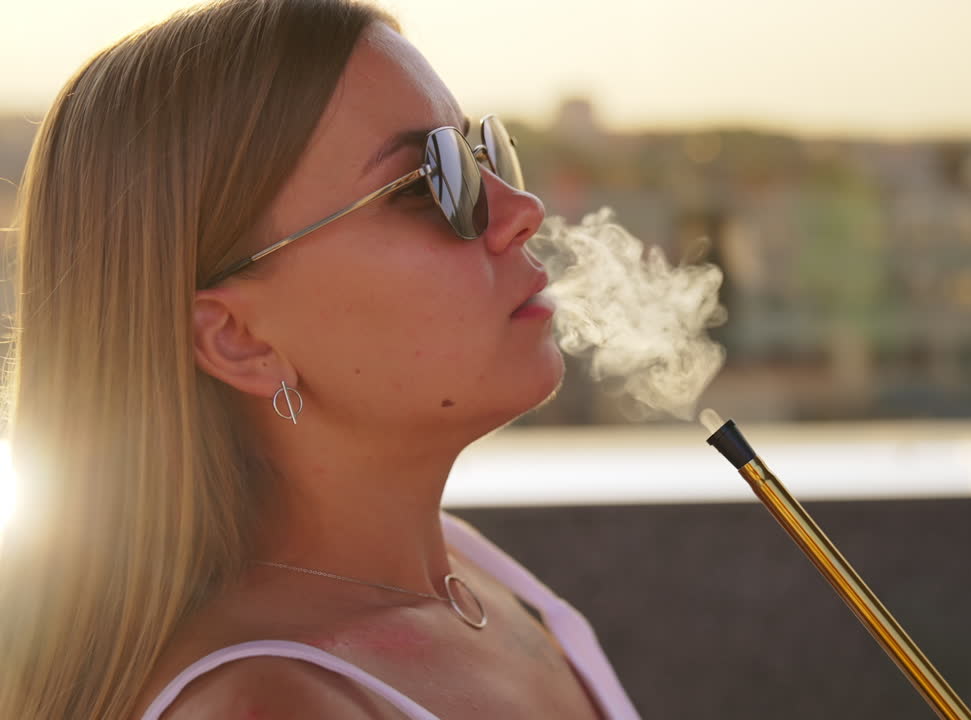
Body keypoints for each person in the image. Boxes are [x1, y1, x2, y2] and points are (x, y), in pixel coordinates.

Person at [0, 0, 640, 717]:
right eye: (432, 183)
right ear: (238, 339)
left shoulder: (466, 571)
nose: (520, 206)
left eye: (480, 151)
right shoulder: (270, 706)